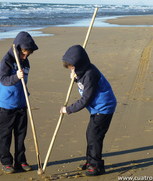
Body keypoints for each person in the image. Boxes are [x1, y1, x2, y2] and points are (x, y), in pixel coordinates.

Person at [60, 45, 117, 176]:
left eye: (73, 68)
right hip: (96, 108)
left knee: (95, 137)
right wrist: (76, 78)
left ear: (79, 64)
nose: (72, 70)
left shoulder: (90, 74)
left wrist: (68, 110)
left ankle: (96, 166)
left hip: (104, 108)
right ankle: (90, 161)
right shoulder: (83, 72)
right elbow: (83, 83)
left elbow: (86, 99)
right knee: (89, 134)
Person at [0, 31, 38, 174]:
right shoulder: (6, 60)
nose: (25, 57)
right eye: (23, 54)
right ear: (18, 48)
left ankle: (20, 161)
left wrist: (25, 91)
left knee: (21, 135)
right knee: (5, 136)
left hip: (21, 103)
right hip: (6, 105)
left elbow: (23, 81)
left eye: (28, 55)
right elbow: (4, 80)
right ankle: (6, 162)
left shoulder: (26, 62)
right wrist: (16, 77)